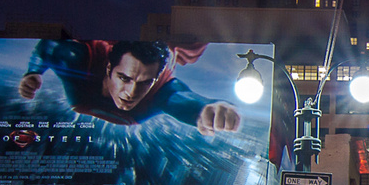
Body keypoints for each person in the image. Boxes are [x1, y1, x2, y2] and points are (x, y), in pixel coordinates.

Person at [18, 39, 242, 136]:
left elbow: (184, 99)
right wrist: (34, 72)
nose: (131, 93)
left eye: (144, 83)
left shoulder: (161, 90)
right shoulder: (78, 60)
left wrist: (210, 109)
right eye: (124, 78)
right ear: (108, 69)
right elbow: (49, 47)